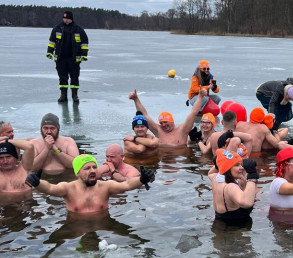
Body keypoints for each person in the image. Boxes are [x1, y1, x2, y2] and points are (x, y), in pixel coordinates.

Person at [26, 154, 155, 214]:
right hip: (76, 228)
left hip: (104, 226)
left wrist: (142, 179)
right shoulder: (68, 189)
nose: (93, 171)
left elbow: (126, 185)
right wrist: (37, 182)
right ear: (77, 173)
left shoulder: (105, 186)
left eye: (94, 167)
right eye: (87, 168)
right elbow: (49, 188)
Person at [128, 89, 202, 147]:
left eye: (165, 122)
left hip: (179, 162)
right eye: (161, 123)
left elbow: (193, 113)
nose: (163, 125)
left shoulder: (182, 130)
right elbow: (145, 115)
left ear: (172, 121)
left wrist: (200, 96)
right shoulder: (159, 131)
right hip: (162, 163)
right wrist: (136, 99)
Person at [46, 11, 89, 103]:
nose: (66, 20)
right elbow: (52, 42)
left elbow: (84, 43)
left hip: (74, 59)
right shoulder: (57, 28)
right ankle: (63, 95)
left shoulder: (78, 29)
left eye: (68, 19)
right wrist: (49, 52)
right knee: (62, 78)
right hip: (61, 58)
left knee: (74, 77)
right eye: (64, 18)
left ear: (71, 19)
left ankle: (75, 96)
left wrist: (84, 55)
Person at [208, 148, 258, 226]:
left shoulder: (216, 179)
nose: (242, 168)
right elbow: (247, 203)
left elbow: (210, 173)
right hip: (235, 231)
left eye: (241, 164)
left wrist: (218, 164)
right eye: (237, 165)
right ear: (227, 168)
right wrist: (252, 177)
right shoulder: (230, 187)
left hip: (219, 225)